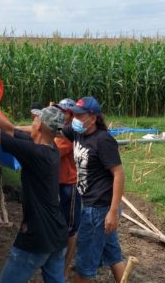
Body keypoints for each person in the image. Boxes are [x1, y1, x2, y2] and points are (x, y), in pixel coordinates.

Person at [0, 105, 68, 283]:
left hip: (37, 236)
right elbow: (8, 129)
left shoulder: (35, 152)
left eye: (36, 119)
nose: (33, 121)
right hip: (57, 234)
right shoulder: (48, 146)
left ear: (40, 126)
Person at [62, 97, 125, 283]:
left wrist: (113, 212)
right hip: (90, 205)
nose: (75, 118)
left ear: (93, 117)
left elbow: (119, 174)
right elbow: (51, 131)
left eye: (80, 115)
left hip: (99, 209)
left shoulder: (103, 140)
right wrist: (13, 130)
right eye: (74, 114)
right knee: (112, 254)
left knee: (84, 266)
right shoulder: (77, 132)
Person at [54, 98, 82, 280]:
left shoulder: (70, 133)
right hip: (60, 182)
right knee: (63, 222)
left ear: (71, 114)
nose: (61, 114)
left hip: (70, 184)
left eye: (64, 111)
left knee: (71, 228)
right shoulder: (62, 129)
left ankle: (65, 268)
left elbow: (52, 149)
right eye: (59, 110)